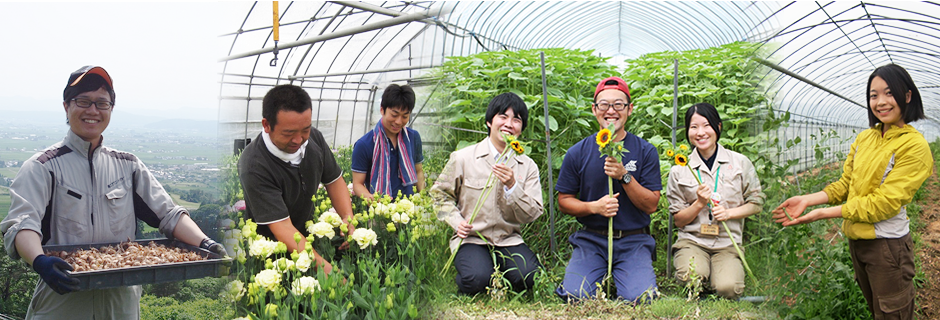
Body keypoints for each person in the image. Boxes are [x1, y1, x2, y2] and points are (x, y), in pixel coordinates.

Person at [0, 66, 225, 320]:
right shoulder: (43, 167)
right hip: (62, 302)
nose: (93, 110)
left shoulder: (127, 166)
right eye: (83, 101)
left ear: (111, 110)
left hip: (121, 305)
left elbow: (169, 215)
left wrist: (206, 244)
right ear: (66, 106)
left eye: (102, 103)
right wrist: (40, 260)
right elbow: (22, 224)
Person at [772, 64, 932, 320]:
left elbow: (883, 204)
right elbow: (846, 184)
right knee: (877, 309)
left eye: (889, 93)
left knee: (893, 314)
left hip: (887, 245)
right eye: (873, 95)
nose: (880, 102)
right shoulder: (865, 139)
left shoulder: (914, 146)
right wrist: (808, 199)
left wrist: (822, 213)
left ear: (908, 96)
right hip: (858, 241)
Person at [555, 76, 662, 302]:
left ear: (629, 109)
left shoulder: (646, 151)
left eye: (618, 104)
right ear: (594, 110)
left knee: (641, 298)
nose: (611, 111)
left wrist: (624, 176)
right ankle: (586, 274)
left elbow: (651, 204)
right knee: (576, 295)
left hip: (633, 240)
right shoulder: (577, 152)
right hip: (592, 239)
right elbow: (564, 201)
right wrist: (594, 207)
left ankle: (632, 278)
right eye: (604, 104)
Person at [431, 92, 543, 295]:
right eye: (503, 116)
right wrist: (457, 222)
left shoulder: (527, 166)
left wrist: (512, 186)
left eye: (516, 120)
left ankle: (500, 275)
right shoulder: (463, 158)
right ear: (489, 122)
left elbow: (533, 212)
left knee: (528, 277)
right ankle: (477, 274)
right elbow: (439, 195)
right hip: (472, 238)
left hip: (508, 238)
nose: (509, 124)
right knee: (477, 280)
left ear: (521, 129)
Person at [238, 84, 355, 275]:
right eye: (288, 133)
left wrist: (347, 218)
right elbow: (282, 228)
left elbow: (334, 181)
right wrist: (328, 272)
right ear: (266, 125)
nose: (298, 140)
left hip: (308, 243)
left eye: (305, 130)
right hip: (273, 258)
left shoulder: (313, 139)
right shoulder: (254, 165)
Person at [665, 102, 764, 300]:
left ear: (718, 127)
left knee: (728, 289)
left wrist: (729, 213)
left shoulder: (740, 162)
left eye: (706, 125)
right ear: (688, 131)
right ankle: (702, 276)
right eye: (694, 127)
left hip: (727, 243)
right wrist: (699, 204)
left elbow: (757, 203)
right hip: (693, 241)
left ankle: (718, 277)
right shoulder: (679, 169)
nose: (700, 133)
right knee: (691, 278)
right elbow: (679, 221)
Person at [351, 84, 425, 200]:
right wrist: (375, 202)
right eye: (394, 115)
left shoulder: (413, 137)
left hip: (410, 209)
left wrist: (423, 198)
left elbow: (419, 171)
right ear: (382, 109)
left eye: (405, 116)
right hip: (380, 212)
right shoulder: (364, 145)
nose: (399, 122)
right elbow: (357, 184)